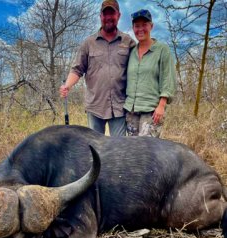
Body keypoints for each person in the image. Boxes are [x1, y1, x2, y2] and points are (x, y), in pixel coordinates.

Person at [59, 0, 136, 137]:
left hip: (119, 106)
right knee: (94, 149)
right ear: (100, 16)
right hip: (95, 106)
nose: (108, 18)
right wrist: (67, 86)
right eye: (105, 14)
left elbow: (139, 68)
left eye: (112, 13)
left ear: (118, 15)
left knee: (118, 150)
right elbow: (77, 69)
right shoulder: (88, 43)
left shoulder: (128, 42)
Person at [123, 9, 177, 137]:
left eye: (144, 25)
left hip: (151, 111)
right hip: (131, 111)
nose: (140, 29)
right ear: (133, 28)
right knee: (132, 149)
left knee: (147, 151)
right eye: (137, 26)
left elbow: (168, 79)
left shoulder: (162, 50)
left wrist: (161, 106)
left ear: (151, 26)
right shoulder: (131, 51)